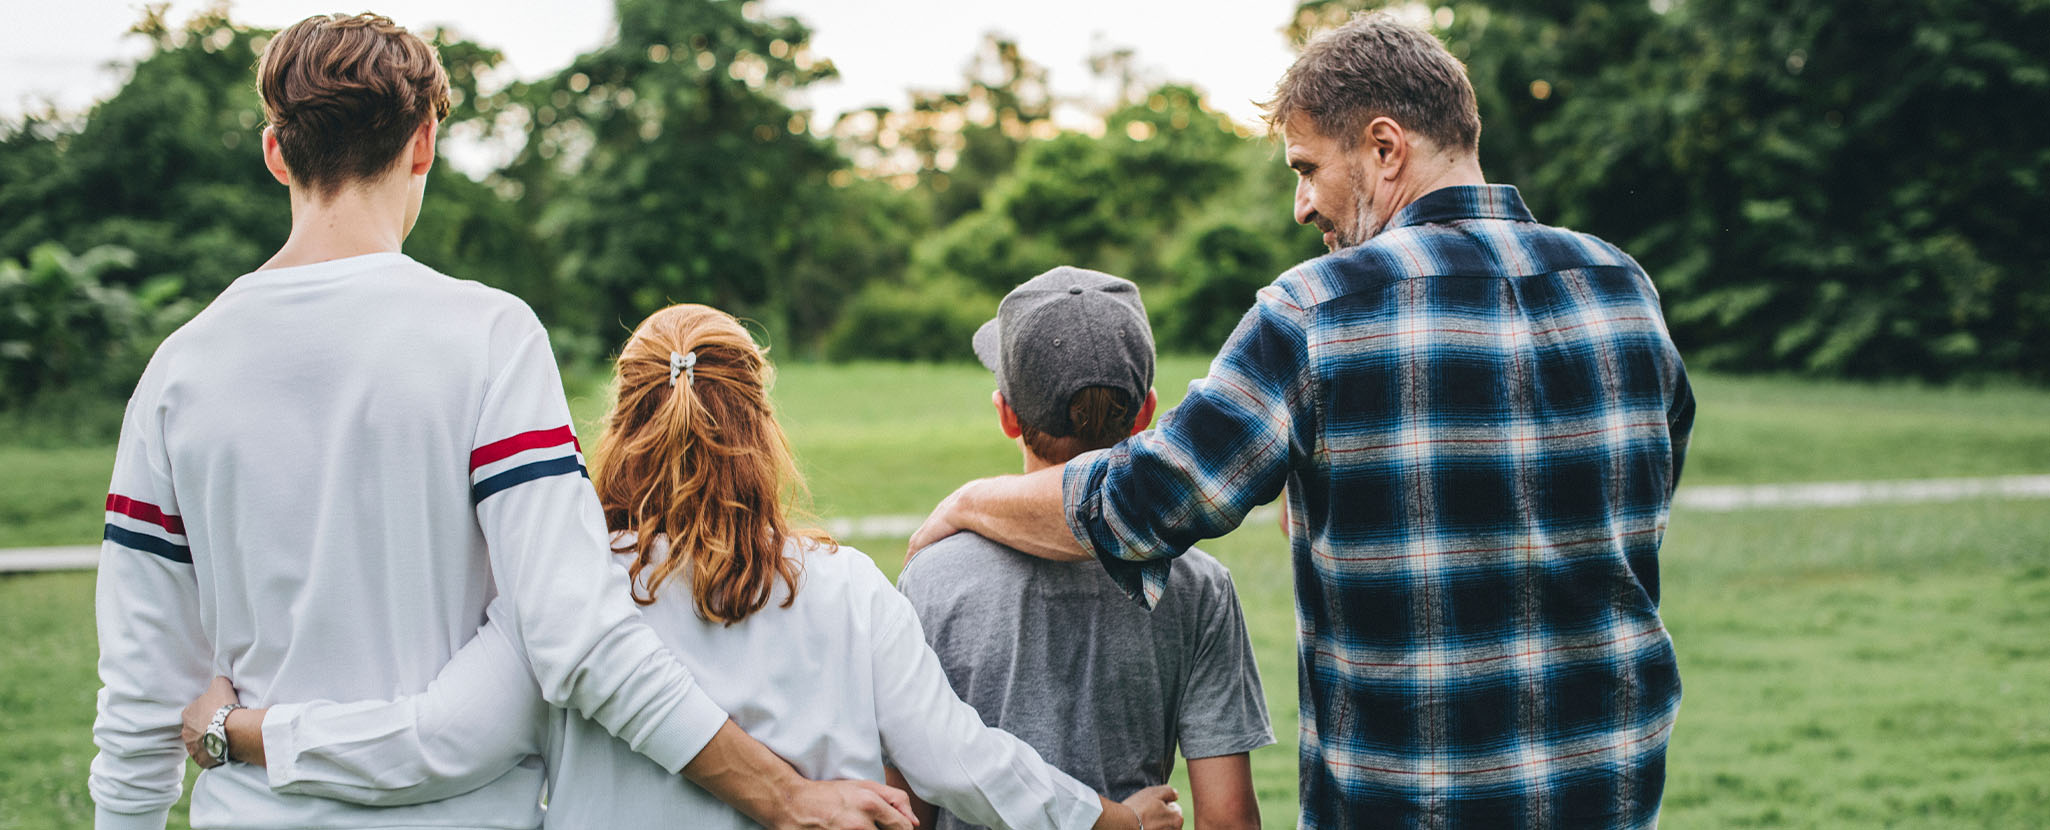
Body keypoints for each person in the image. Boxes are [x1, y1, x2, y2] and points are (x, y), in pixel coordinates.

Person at [90, 13, 907, 830]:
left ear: (276, 151)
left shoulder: (176, 373)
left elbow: (139, 704)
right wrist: (782, 794)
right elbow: (576, 637)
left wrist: (239, 740)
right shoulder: (489, 337)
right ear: (424, 142)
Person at [909, 12, 1695, 828]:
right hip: (1611, 793)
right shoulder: (1621, 288)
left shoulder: (1318, 310)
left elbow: (1142, 501)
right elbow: (1633, 497)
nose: (1300, 204)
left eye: (1307, 167)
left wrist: (971, 502)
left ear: (1385, 149)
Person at [180, 303, 1185, 830]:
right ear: (762, 421)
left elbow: (435, 741)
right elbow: (960, 761)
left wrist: (238, 731)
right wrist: (1106, 816)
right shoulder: (843, 590)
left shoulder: (557, 595)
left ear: (620, 417)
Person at [891, 267, 1273, 830]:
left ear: (1006, 414)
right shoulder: (1198, 585)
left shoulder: (932, 576)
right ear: (1148, 414)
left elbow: (908, 807)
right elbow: (1228, 818)